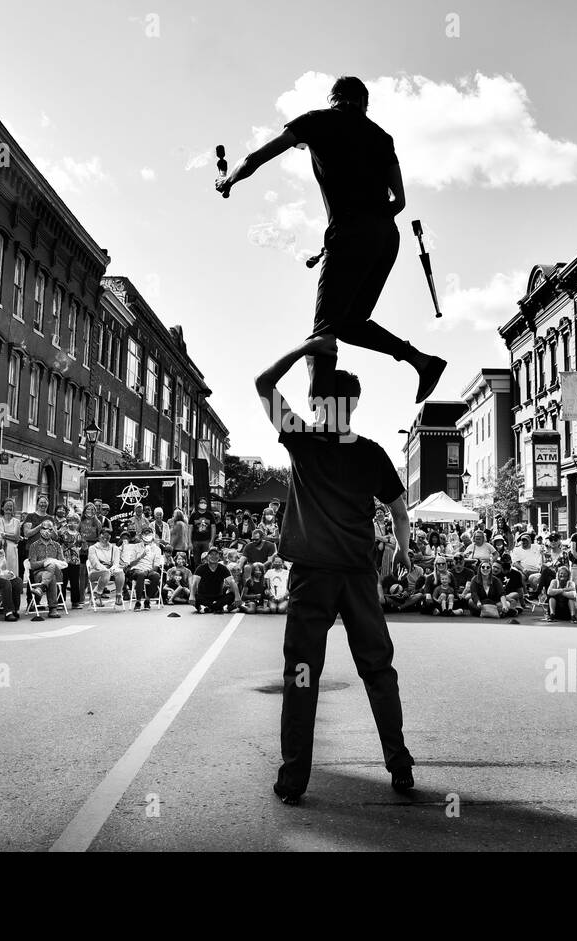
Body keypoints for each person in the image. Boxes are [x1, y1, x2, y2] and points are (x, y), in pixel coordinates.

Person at [216, 75, 446, 407]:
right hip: (386, 237)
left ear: (333, 98)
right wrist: (372, 218)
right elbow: (400, 201)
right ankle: (422, 361)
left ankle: (323, 418)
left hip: (349, 232)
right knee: (351, 324)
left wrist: (227, 181)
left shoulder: (316, 121)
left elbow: (253, 160)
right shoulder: (382, 137)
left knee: (323, 332)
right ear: (364, 103)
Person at [255, 336, 416, 805]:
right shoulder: (370, 451)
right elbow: (399, 512)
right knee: (378, 669)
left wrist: (303, 347)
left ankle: (293, 780)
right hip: (358, 576)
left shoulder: (302, 440)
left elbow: (264, 382)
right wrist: (403, 552)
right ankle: (399, 761)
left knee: (302, 673)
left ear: (317, 403)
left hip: (312, 576)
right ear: (356, 405)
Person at [27, 520, 67, 618]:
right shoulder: (34, 546)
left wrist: (51, 561)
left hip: (57, 573)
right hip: (39, 574)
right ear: (40, 530)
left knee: (52, 566)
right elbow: (32, 565)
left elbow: (63, 563)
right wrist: (45, 562)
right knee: (51, 576)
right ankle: (53, 609)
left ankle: (41, 588)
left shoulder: (57, 546)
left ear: (53, 530)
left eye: (50, 529)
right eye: (44, 528)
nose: (47, 531)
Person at [122, 528, 164, 610]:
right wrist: (141, 556)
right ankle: (138, 601)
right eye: (145, 534)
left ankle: (147, 600)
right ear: (141, 536)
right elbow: (131, 564)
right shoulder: (135, 547)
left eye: (149, 534)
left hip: (149, 570)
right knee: (140, 574)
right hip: (136, 569)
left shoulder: (157, 549)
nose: (147, 536)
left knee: (156, 576)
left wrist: (148, 571)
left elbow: (156, 566)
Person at [192, 546, 235, 614]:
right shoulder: (200, 568)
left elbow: (232, 582)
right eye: (211, 554)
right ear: (208, 557)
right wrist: (191, 596)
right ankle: (218, 607)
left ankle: (209, 608)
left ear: (219, 556)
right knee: (193, 595)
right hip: (204, 597)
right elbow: (194, 583)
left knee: (233, 594)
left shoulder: (223, 568)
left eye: (216, 554)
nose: (213, 556)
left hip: (218, 597)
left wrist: (238, 597)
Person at [87, 535, 126, 607]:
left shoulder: (115, 548)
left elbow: (116, 563)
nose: (105, 537)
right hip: (95, 572)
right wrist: (106, 569)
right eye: (103, 534)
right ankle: (97, 593)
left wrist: (112, 569)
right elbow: (95, 563)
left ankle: (118, 596)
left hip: (110, 571)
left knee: (120, 572)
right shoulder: (92, 548)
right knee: (106, 573)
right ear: (99, 537)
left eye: (107, 534)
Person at [190, 499, 215, 563]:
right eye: (201, 502)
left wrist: (212, 541)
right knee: (196, 561)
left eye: (205, 503)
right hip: (195, 541)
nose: (203, 504)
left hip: (207, 541)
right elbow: (189, 529)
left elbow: (213, 528)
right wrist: (189, 542)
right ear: (198, 504)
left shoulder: (210, 515)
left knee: (207, 560)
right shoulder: (193, 515)